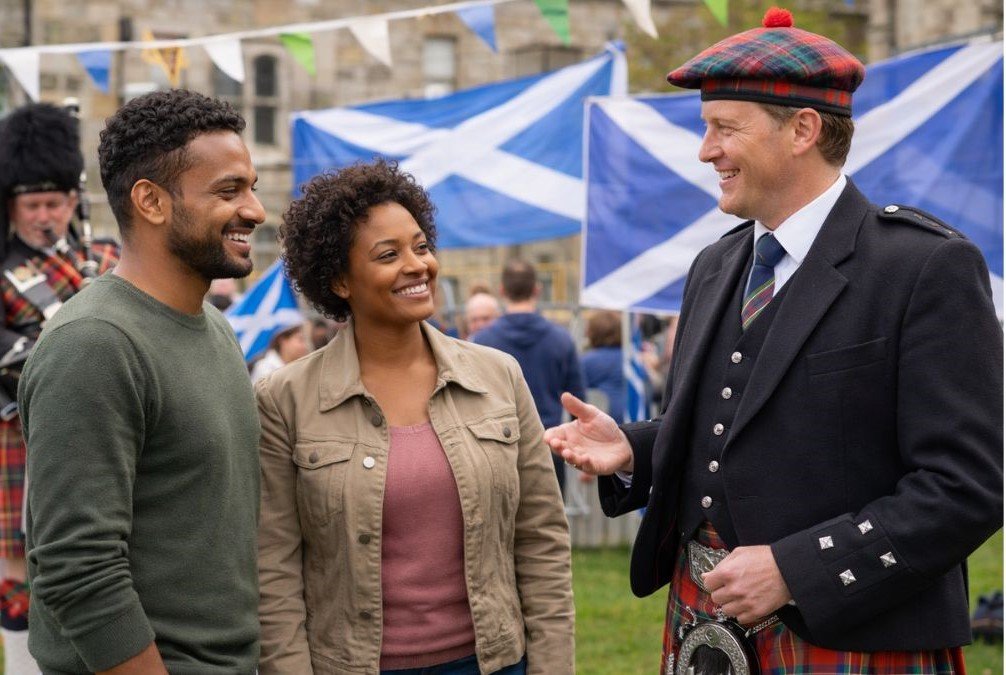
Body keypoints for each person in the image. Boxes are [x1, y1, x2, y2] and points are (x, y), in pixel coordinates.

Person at [545, 8, 1002, 671]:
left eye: (724, 128)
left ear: (803, 130)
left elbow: (968, 485)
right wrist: (638, 449)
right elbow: (739, 420)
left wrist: (798, 569)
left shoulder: (923, 267)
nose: (706, 150)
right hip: (705, 620)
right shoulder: (717, 264)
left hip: (850, 633)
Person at [257, 159, 573, 675]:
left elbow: (540, 542)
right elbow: (274, 572)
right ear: (339, 280)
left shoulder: (499, 377)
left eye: (421, 246)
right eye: (389, 254)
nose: (417, 265)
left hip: (492, 663)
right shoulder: (285, 399)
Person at [19, 89, 265, 673]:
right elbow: (78, 568)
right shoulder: (94, 344)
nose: (255, 210)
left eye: (252, 187)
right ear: (151, 202)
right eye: (229, 190)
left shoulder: (216, 328)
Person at [0, 102, 120, 674]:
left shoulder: (108, 260)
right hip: (22, 439)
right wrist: (64, 341)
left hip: (106, 434)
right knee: (24, 580)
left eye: (55, 202)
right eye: (33, 204)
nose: (45, 215)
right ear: (12, 206)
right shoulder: (3, 270)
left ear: (74, 201)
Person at [470, 259, 585, 493]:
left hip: (497, 449)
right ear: (537, 289)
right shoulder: (561, 339)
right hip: (547, 446)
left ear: (502, 291)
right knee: (548, 524)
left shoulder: (481, 343)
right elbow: (578, 403)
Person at [579, 310, 625, 422]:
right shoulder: (631, 358)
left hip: (606, 424)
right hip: (636, 423)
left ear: (592, 332)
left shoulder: (588, 362)